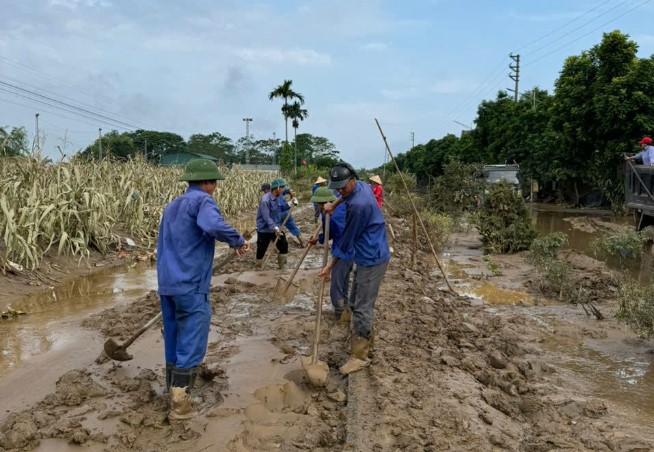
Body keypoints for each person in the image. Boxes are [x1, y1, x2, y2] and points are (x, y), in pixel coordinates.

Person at [157, 159, 250, 420]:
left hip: (167, 284)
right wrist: (237, 240)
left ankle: (172, 390)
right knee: (192, 339)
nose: (215, 188)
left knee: (173, 337)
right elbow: (212, 225)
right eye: (215, 183)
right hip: (190, 283)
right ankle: (180, 404)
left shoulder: (173, 205)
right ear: (209, 183)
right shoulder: (203, 201)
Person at [320, 161, 390, 375]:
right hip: (366, 251)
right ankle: (359, 333)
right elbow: (347, 195)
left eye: (343, 187)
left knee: (362, 306)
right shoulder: (361, 186)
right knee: (356, 294)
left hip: (372, 256)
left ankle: (360, 355)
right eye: (337, 187)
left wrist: (329, 266)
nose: (340, 190)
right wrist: (335, 204)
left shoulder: (359, 206)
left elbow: (346, 241)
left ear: (353, 179)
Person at [308, 186, 353, 321]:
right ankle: (346, 309)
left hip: (343, 252)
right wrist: (319, 239)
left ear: (324, 203)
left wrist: (331, 263)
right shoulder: (340, 208)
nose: (319, 207)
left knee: (336, 287)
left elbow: (336, 235)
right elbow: (330, 233)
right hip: (352, 251)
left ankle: (339, 314)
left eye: (319, 204)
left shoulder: (332, 215)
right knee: (343, 283)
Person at [256, 177, 289, 269]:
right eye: (281, 187)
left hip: (277, 227)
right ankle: (258, 265)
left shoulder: (279, 197)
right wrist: (274, 227)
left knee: (284, 245)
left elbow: (281, 208)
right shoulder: (265, 200)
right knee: (261, 249)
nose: (283, 189)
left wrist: (290, 204)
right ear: (276, 188)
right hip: (265, 229)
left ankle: (282, 267)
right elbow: (266, 217)